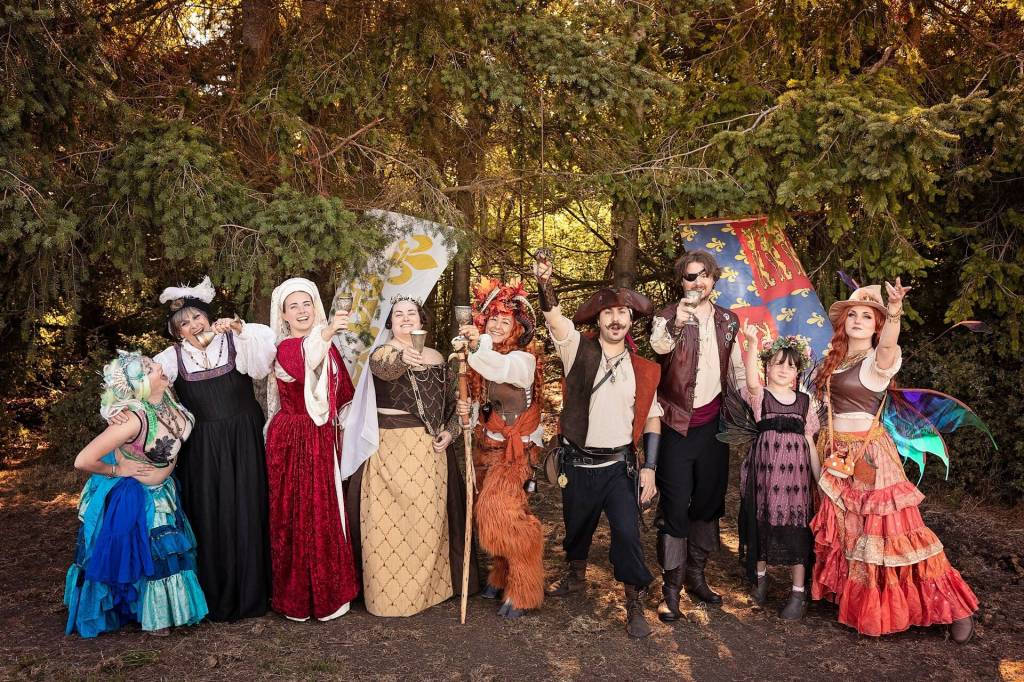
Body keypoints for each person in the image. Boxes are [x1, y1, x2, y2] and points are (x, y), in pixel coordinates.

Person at [810, 281, 978, 641]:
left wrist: (895, 310)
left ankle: (955, 609)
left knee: (892, 533)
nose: (858, 320)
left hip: (870, 455)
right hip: (839, 454)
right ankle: (859, 600)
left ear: (877, 325)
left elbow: (888, 346)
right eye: (852, 315)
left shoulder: (876, 362)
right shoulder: (834, 363)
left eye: (867, 316)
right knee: (850, 530)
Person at [535, 258, 662, 639]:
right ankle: (575, 574)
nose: (615, 319)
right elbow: (556, 320)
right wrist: (545, 283)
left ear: (630, 321)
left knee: (627, 533)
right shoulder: (578, 351)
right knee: (577, 526)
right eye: (608, 313)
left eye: (622, 313)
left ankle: (633, 600)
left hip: (619, 467)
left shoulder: (644, 370)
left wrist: (650, 468)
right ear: (599, 320)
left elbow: (652, 419)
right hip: (577, 463)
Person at [154, 276, 276, 621]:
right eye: (183, 323)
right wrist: (122, 414)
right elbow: (140, 386)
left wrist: (239, 328)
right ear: (176, 332)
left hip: (244, 437)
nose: (193, 325)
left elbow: (264, 362)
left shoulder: (236, 341)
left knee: (248, 506)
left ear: (208, 317)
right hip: (203, 446)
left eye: (196, 317)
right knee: (211, 511)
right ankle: (215, 592)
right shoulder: (172, 358)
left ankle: (254, 592)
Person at [345, 296, 477, 617]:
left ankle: (429, 590)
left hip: (429, 451)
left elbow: (451, 404)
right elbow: (386, 368)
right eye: (399, 314)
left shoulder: (439, 358)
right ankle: (385, 596)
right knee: (387, 525)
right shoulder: (383, 353)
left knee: (426, 522)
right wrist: (404, 355)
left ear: (421, 319)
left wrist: (451, 431)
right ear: (390, 323)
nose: (406, 318)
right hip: (389, 449)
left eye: (412, 313)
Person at [65, 351, 207, 637]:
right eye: (150, 368)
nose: (159, 366)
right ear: (140, 384)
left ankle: (164, 610)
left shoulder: (166, 397)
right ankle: (150, 614)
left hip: (164, 490)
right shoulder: (131, 420)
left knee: (162, 553)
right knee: (148, 555)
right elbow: (83, 460)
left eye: (153, 363)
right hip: (138, 498)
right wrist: (117, 469)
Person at [648, 250, 744, 621]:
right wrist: (677, 322)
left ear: (714, 279)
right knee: (675, 506)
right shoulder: (667, 316)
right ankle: (670, 590)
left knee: (708, 501)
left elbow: (735, 372)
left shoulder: (728, 320)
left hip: (713, 427)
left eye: (704, 275)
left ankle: (696, 576)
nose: (698, 282)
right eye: (690, 276)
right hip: (675, 425)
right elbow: (659, 346)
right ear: (681, 282)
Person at [264, 277, 360, 622]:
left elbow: (344, 392)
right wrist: (329, 330)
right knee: (294, 511)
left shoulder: (327, 344)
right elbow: (306, 360)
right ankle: (297, 596)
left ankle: (329, 592)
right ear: (284, 315)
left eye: (307, 304)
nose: (302, 311)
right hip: (292, 438)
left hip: (321, 437)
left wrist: (349, 426)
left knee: (324, 508)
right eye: (294, 306)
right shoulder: (285, 348)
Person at [455, 277, 545, 619]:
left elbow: (499, 367)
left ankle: (525, 588)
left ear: (517, 329)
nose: (496, 326)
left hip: (515, 454)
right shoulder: (480, 358)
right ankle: (501, 574)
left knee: (503, 516)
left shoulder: (522, 360)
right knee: (491, 513)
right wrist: (467, 411)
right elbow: (481, 401)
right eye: (492, 319)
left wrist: (476, 345)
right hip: (486, 449)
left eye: (505, 321)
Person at [736, 325, 820, 619]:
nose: (784, 370)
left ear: (798, 372)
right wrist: (752, 343)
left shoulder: (805, 402)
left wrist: (819, 480)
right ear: (767, 368)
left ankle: (797, 592)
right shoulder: (760, 396)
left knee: (797, 529)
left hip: (796, 481)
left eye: (791, 366)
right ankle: (761, 580)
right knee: (762, 524)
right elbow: (750, 379)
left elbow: (810, 443)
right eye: (778, 364)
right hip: (765, 477)